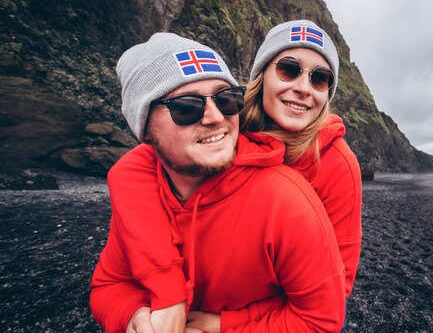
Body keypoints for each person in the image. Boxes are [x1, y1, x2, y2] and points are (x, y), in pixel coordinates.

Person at [89, 32, 346, 333]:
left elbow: (323, 314)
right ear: (144, 132)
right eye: (186, 107)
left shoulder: (291, 198)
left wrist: (226, 326)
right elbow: (109, 285)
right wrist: (133, 317)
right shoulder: (139, 191)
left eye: (226, 100)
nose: (214, 117)